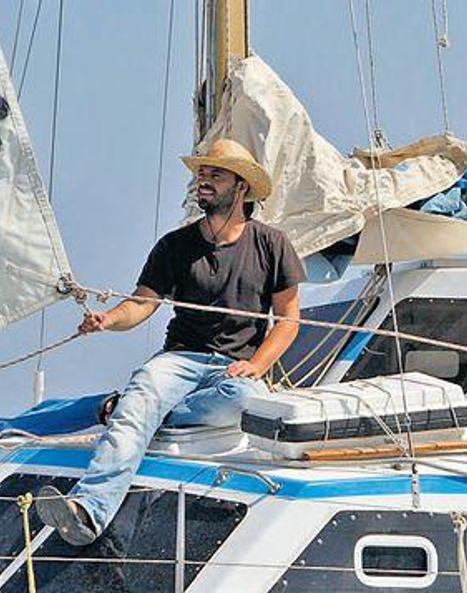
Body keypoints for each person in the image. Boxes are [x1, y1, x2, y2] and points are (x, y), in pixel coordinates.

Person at [36, 138, 306, 546]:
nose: (204, 181)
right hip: (180, 360)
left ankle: (145, 413)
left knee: (237, 400)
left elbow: (288, 320)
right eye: (201, 174)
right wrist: (108, 319)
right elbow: (142, 303)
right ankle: (88, 510)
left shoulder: (272, 243)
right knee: (145, 388)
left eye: (216, 175)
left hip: (237, 369)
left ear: (242, 187)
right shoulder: (175, 245)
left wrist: (258, 365)